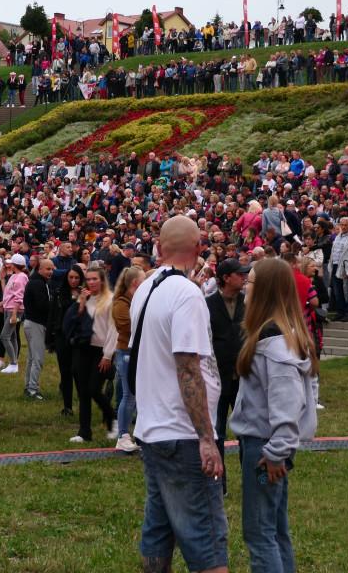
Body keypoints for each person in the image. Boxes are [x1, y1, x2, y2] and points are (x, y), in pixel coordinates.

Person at [130, 215, 227, 573]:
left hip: (153, 429)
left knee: (159, 527)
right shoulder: (186, 293)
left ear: (158, 249)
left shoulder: (147, 286)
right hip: (182, 433)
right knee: (207, 538)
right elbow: (188, 367)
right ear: (200, 249)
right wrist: (206, 437)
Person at [229, 257, 318, 571]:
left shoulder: (274, 341)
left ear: (264, 290)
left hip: (264, 448)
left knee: (260, 533)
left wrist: (277, 452)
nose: (245, 289)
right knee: (275, 531)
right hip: (266, 445)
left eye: (250, 282)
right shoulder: (277, 336)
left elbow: (287, 402)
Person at [205, 258, 250, 492]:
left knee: (246, 433)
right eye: (239, 274)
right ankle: (218, 484)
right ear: (225, 278)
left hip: (243, 378)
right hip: (217, 379)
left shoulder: (248, 302)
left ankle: (250, 482)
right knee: (217, 433)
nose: (244, 277)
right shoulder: (208, 304)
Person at [66, 262, 117, 443]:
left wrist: (108, 355)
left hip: (101, 350)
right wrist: (81, 305)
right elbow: (74, 324)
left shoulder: (111, 300)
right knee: (84, 393)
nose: (91, 282)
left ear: (102, 281)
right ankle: (84, 432)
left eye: (95, 279)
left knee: (94, 389)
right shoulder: (85, 298)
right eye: (88, 279)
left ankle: (112, 417)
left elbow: (113, 329)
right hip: (84, 347)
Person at [113, 264, 146, 454]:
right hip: (126, 353)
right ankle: (123, 436)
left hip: (138, 352)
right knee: (129, 395)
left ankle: (141, 435)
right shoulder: (121, 303)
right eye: (144, 279)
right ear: (135, 282)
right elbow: (127, 328)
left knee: (140, 396)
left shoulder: (137, 300)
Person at [50, 265, 83, 417]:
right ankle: (67, 406)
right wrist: (49, 339)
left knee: (78, 371)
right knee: (65, 373)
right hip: (62, 337)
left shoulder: (85, 294)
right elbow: (51, 316)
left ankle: (84, 405)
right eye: (71, 277)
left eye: (76, 277)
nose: (74, 280)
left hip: (80, 338)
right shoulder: (58, 294)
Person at [22, 257, 54, 400]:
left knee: (32, 358)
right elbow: (42, 306)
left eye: (52, 269)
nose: (51, 272)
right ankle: (33, 390)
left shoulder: (38, 282)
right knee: (38, 359)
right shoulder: (37, 284)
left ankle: (29, 386)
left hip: (31, 322)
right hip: (35, 323)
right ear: (39, 269)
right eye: (48, 269)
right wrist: (54, 304)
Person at [0, 254, 27, 374]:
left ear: (14, 264)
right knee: (12, 336)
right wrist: (2, 278)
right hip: (8, 308)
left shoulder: (21, 277)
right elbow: (7, 292)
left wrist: (15, 314)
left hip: (14, 310)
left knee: (4, 336)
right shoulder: (13, 276)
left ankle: (13, 363)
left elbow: (19, 297)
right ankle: (14, 363)